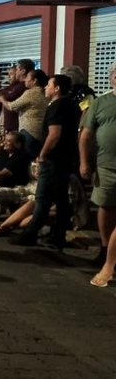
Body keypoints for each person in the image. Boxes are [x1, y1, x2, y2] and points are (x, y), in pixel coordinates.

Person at [11, 74, 80, 248]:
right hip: (65, 159)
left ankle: (31, 233)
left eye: (49, 85)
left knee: (42, 198)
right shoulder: (70, 106)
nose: (45, 88)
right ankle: (58, 236)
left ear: (57, 88)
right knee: (61, 198)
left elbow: (54, 134)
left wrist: (42, 155)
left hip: (53, 160)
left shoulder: (56, 107)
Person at [84, 62, 116, 283]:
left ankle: (110, 263)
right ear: (112, 78)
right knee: (106, 206)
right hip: (106, 165)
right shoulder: (100, 103)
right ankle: (106, 249)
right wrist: (85, 162)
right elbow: (86, 135)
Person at [2, 68, 48, 158]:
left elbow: (12, 106)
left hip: (28, 130)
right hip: (40, 131)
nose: (25, 79)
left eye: (27, 77)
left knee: (26, 158)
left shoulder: (31, 93)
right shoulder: (44, 92)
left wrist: (2, 99)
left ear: (34, 80)